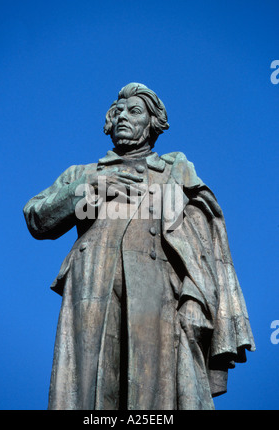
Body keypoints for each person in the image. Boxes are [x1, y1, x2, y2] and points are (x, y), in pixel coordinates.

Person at [23, 83, 255, 410]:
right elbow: (37, 218)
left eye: (134, 112)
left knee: (154, 399)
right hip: (91, 288)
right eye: (117, 111)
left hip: (158, 290)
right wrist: (88, 188)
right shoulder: (84, 173)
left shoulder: (175, 172)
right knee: (89, 394)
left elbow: (199, 241)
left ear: (152, 123)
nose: (122, 117)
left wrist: (196, 298)